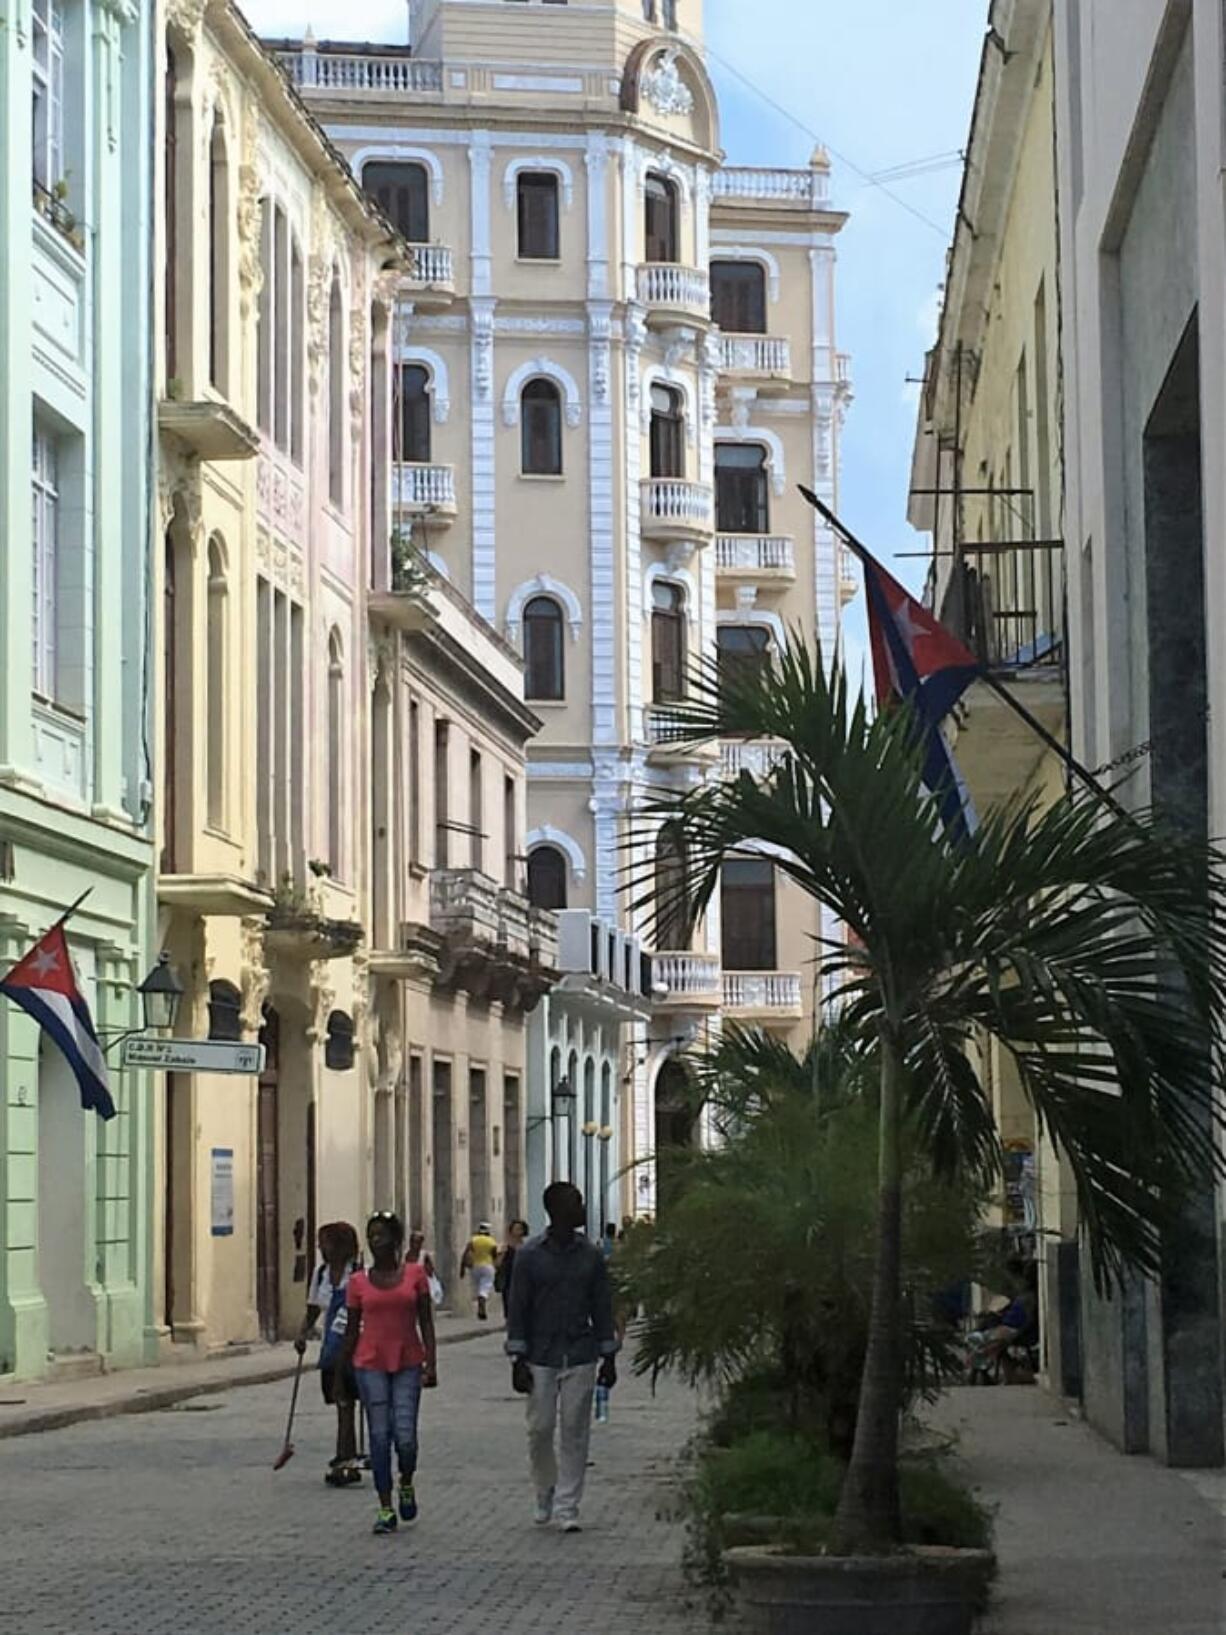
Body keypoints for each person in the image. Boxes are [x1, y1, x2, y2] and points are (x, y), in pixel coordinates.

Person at [506, 1182, 618, 1533]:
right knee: (539, 1429)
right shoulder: (529, 1255)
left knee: (574, 1430)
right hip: (540, 1354)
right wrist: (517, 1357)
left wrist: (608, 1356)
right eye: (576, 1203)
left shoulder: (591, 1255)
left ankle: (569, 1505)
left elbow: (602, 1306)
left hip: (581, 1352)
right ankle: (545, 1489)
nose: (582, 1208)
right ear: (557, 1210)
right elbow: (518, 1307)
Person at [337, 1211, 438, 1535]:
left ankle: (405, 1481)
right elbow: (351, 1331)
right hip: (369, 1364)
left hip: (408, 1361)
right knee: (379, 1436)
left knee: (405, 1436)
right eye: (371, 1235)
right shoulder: (358, 1283)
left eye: (381, 1235)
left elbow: (426, 1322)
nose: (374, 1240)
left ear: (395, 1239)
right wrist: (341, 1373)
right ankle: (384, 1506)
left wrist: (431, 1362)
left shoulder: (415, 1276)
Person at [296, 1221, 362, 1486]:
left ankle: (346, 1458)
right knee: (341, 1402)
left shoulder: (358, 1274)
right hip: (332, 1346)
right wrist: (303, 1333)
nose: (320, 1248)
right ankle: (347, 1457)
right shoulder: (321, 1273)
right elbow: (314, 1307)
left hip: (355, 1344)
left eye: (324, 1242)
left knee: (347, 1400)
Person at [460, 1220, 499, 1321]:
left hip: (475, 1267)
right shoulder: (491, 1241)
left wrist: (462, 1268)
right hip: (488, 1266)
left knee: (479, 1287)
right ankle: (482, 1306)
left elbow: (465, 1253)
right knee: (484, 1288)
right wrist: (497, 1267)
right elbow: (494, 1255)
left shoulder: (473, 1240)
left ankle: (480, 1304)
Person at [494, 1219, 530, 1321]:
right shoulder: (505, 1247)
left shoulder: (527, 1247)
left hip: (523, 1279)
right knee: (508, 1301)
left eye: (520, 1229)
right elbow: (497, 1263)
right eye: (515, 1229)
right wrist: (501, 1254)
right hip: (509, 1278)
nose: (517, 1231)